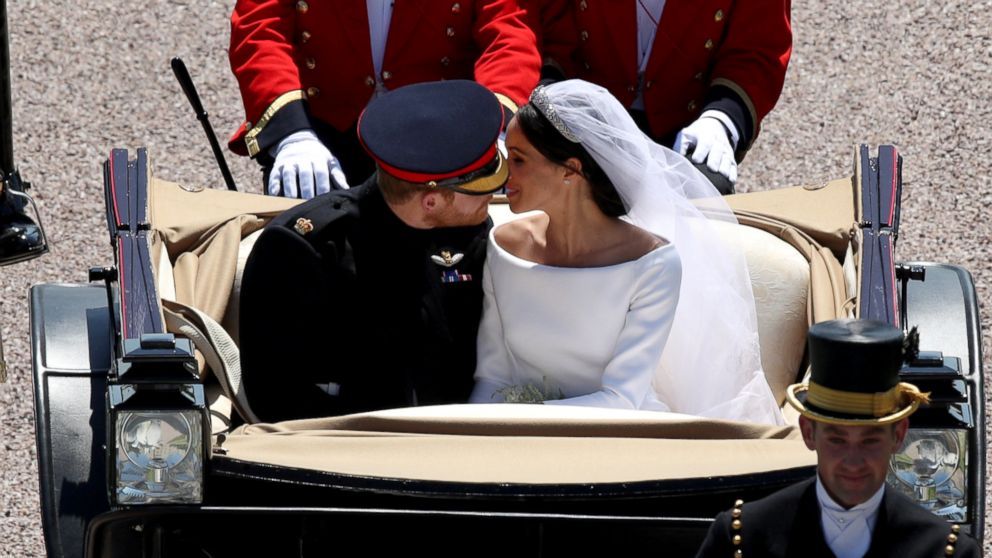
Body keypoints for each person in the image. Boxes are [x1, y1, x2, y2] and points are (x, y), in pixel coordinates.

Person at [469, 79, 782, 424]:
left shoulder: (654, 265)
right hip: (513, 436)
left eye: (518, 159)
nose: (503, 174)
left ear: (570, 171)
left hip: (619, 439)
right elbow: (492, 378)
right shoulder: (502, 245)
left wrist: (521, 420)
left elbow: (620, 400)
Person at [238, 80, 507, 422]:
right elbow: (276, 395)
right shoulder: (306, 248)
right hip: (347, 447)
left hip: (455, 436)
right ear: (432, 200)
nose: (492, 195)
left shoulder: (468, 233)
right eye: (479, 187)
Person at [695, 319, 981, 558]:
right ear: (809, 433)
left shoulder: (945, 551)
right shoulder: (743, 538)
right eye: (837, 440)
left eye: (870, 441)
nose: (853, 461)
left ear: (899, 435)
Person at [228, 0, 541, 199]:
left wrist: (493, 129)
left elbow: (508, 37)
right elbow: (259, 31)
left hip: (436, 132)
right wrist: (292, 135)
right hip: (322, 131)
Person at [529, 0, 792, 191]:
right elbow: (550, 21)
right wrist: (550, 98)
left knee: (705, 190)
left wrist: (721, 119)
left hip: (689, 119)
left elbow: (757, 48)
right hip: (586, 109)